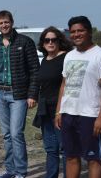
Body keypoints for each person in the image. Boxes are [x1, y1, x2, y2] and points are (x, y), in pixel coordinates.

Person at [0, 10, 40, 178]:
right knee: (6, 135)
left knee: (16, 134)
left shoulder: (24, 42)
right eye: (0, 23)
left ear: (12, 22)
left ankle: (20, 172)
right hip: (0, 93)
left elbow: (35, 70)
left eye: (6, 22)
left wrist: (32, 94)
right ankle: (10, 170)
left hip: (18, 95)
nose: (4, 25)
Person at [55, 16, 101, 178]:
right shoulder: (69, 56)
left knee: (92, 158)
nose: (76, 34)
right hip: (68, 114)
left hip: (90, 116)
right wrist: (59, 111)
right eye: (73, 32)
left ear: (89, 32)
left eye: (80, 30)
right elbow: (64, 85)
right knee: (71, 157)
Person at [32, 26, 73, 178]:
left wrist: (61, 110)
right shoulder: (45, 60)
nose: (50, 42)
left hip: (61, 110)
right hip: (45, 110)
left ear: (59, 41)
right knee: (50, 149)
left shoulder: (66, 58)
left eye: (53, 40)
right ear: (42, 43)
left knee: (65, 148)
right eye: (46, 40)